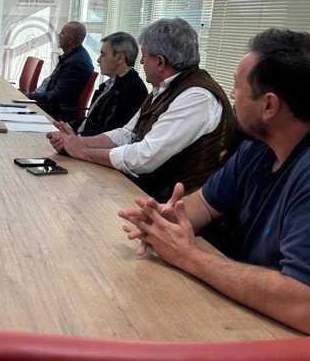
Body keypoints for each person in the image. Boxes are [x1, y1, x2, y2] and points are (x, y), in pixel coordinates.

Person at [119, 28, 310, 334]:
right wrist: (168, 221)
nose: (232, 95)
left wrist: (188, 256)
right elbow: (206, 204)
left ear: (269, 106)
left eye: (238, 88)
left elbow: (303, 304)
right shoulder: (257, 148)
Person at [48, 18, 236, 202]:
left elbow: (144, 157)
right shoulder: (164, 88)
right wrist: (78, 142)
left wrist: (82, 152)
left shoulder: (197, 97)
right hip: (145, 193)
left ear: (160, 62)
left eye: (144, 57)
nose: (141, 63)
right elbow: (127, 133)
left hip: (171, 209)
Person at [70, 31, 147, 135]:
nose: (98, 60)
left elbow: (110, 134)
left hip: (91, 146)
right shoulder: (109, 84)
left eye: (103, 54)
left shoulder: (133, 91)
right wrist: (67, 127)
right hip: (83, 139)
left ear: (120, 58)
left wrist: (74, 137)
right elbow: (90, 120)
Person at [22, 21, 93, 120]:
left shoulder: (76, 63)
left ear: (70, 39)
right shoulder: (72, 56)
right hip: (50, 107)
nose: (59, 35)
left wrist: (29, 97)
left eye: (62, 33)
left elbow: (56, 96)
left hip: (55, 114)